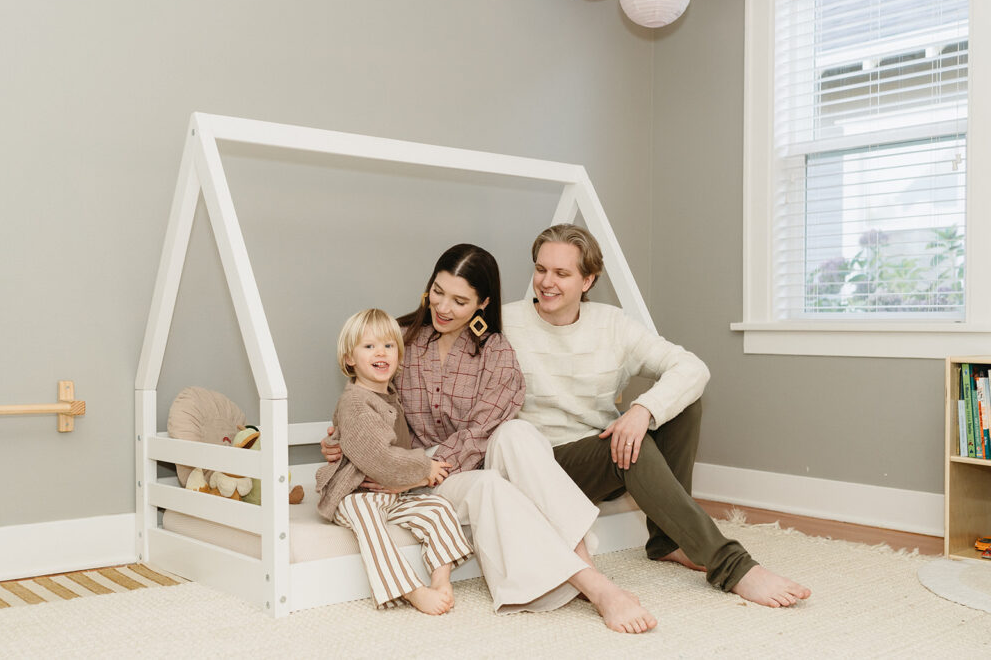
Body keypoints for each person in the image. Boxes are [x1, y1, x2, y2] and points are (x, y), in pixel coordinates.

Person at [323, 244, 657, 633]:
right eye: (438, 292)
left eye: (460, 300)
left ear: (482, 303)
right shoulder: (400, 342)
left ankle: (587, 573)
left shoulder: (496, 352)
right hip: (414, 474)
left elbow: (481, 434)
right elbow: (365, 403)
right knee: (488, 486)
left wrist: (421, 470)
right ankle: (595, 586)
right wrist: (343, 441)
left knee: (515, 432)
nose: (443, 307)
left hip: (447, 465)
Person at [501, 224, 811, 608]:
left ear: (588, 280)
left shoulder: (611, 325)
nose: (546, 282)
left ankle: (668, 541)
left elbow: (692, 368)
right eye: (541, 269)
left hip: (599, 458)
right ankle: (732, 567)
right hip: (544, 465)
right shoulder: (506, 323)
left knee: (680, 407)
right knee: (629, 445)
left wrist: (642, 409)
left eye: (562, 273)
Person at [316, 308, 473, 615]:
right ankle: (410, 589)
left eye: (388, 346)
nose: (381, 353)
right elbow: (379, 458)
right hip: (354, 492)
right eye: (369, 346)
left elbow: (392, 457)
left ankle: (441, 579)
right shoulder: (356, 402)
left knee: (438, 508)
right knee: (367, 514)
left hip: (389, 493)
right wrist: (425, 468)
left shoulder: (389, 395)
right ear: (350, 359)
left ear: (399, 356)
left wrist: (409, 481)